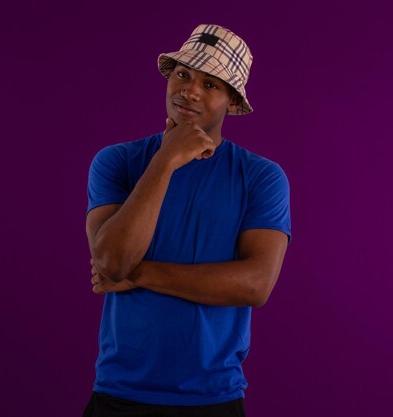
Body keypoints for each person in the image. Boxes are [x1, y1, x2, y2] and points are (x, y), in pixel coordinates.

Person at [84, 24, 291, 417]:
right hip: (117, 395)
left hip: (212, 399)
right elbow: (112, 262)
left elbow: (256, 284)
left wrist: (139, 275)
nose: (190, 90)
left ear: (232, 102)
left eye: (211, 84)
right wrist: (166, 158)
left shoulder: (261, 177)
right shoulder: (117, 161)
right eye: (183, 74)